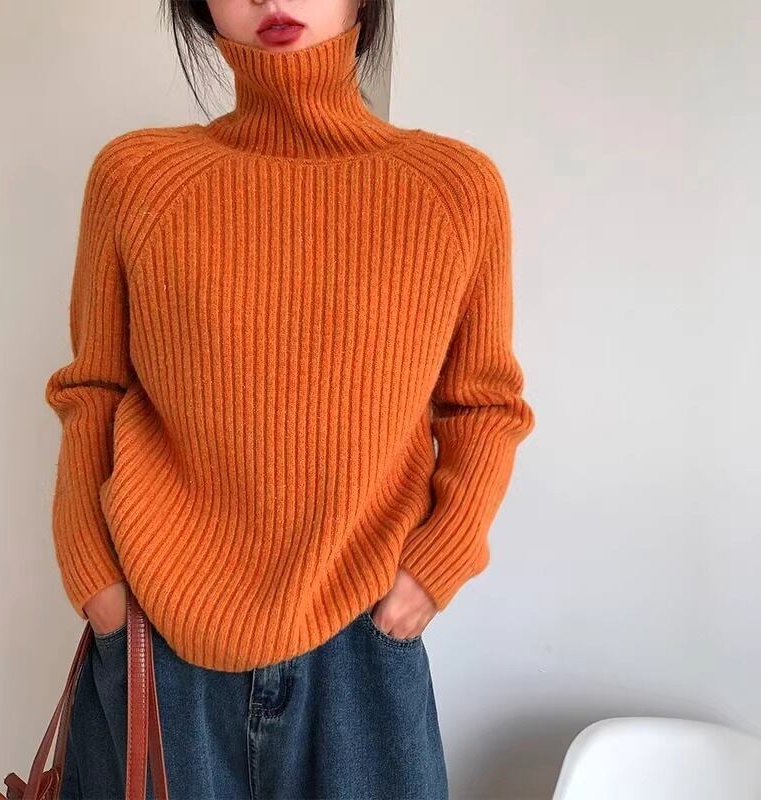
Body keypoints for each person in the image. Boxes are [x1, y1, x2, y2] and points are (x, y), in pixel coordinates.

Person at [47, 1, 536, 798]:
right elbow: (94, 388)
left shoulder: (454, 189)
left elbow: (484, 404)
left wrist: (432, 570)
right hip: (159, 641)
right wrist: (96, 581)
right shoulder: (137, 177)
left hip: (361, 647)